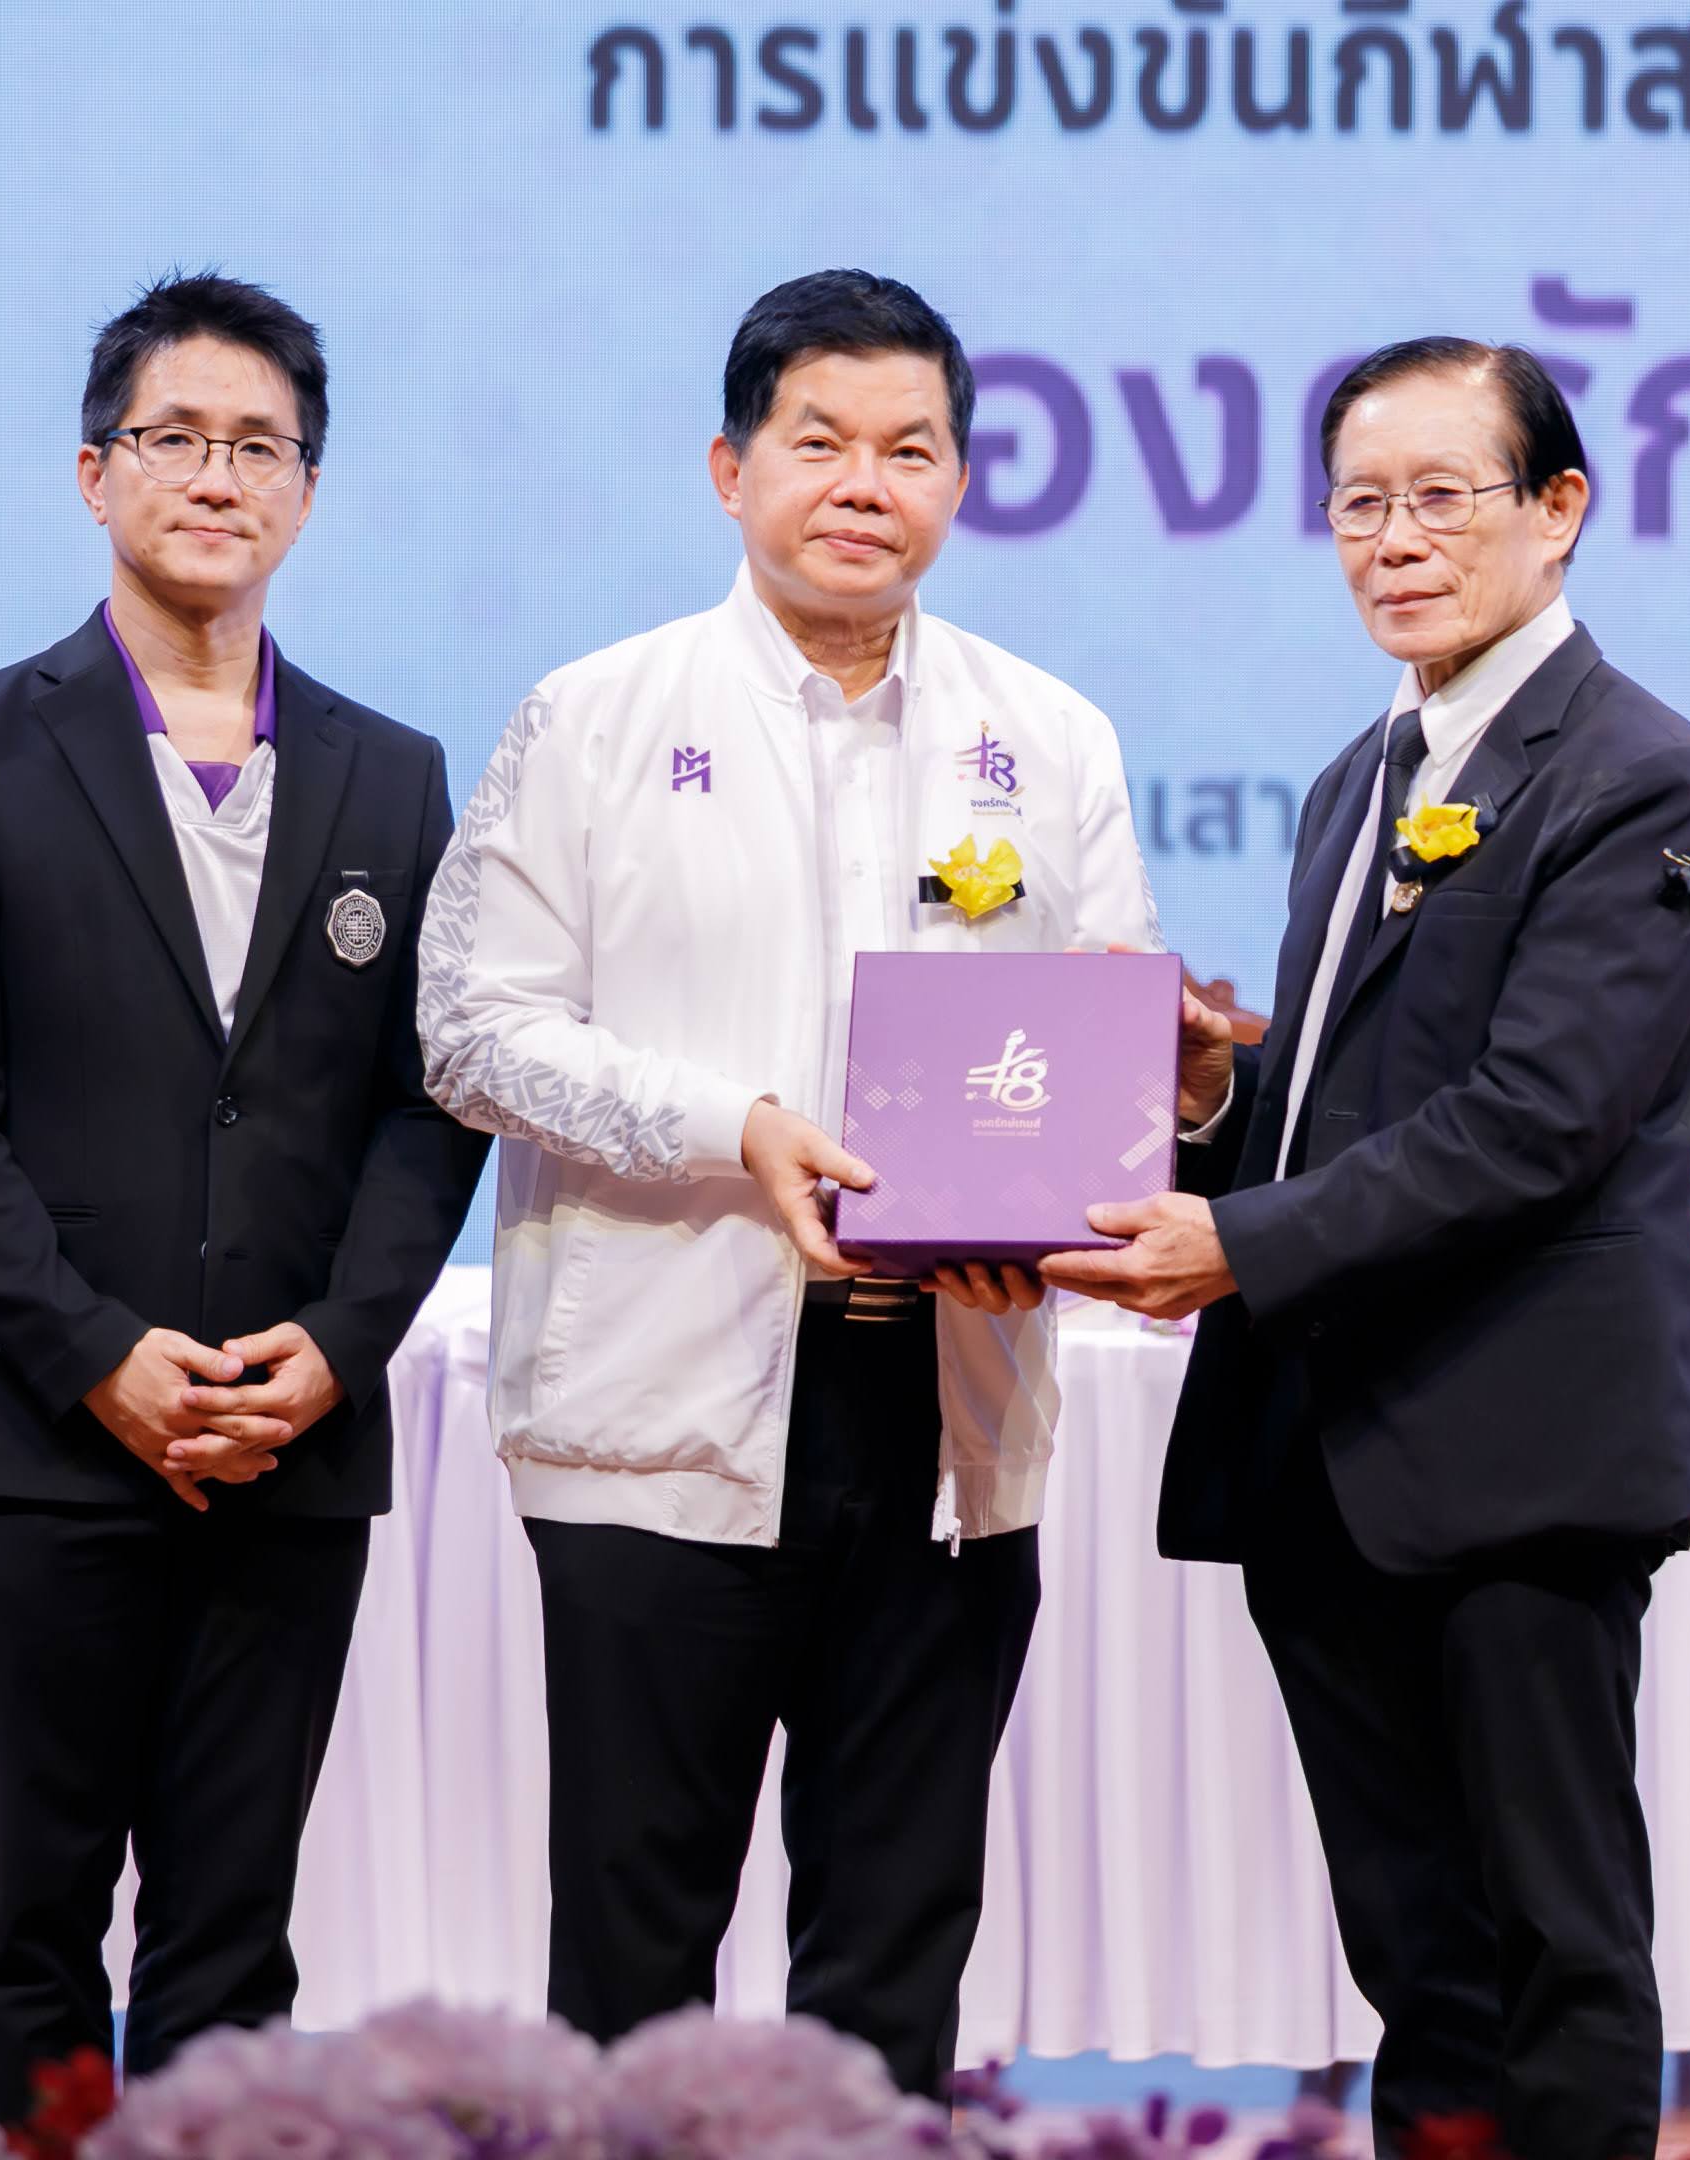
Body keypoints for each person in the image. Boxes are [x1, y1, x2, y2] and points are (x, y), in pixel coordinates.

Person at [414, 269, 1194, 2098]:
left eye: (910, 450)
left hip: (948, 1417)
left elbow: (1104, 1035)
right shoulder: (596, 717)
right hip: (662, 1410)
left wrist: (1078, 1190)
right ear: (731, 467)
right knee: (635, 1950)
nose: (865, 483)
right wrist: (733, 1126)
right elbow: (469, 1033)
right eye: (820, 440)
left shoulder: (1050, 735)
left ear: (961, 484)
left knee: (895, 1952)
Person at [1042, 338, 1690, 2160]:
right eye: (1361, 503)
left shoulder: (1637, 776)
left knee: (1551, 1949)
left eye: (1443, 495)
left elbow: (1537, 1121)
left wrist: (1236, 1242)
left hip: (1518, 1461)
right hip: (1332, 1461)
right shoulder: (1360, 776)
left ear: (1560, 509)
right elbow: (1364, 1098)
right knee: (1423, 1964)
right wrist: (1217, 1097)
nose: (1395, 540)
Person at [0, 271, 488, 2122]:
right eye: (177, 437)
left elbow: (432, 1101)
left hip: (289, 1438)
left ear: (307, 490)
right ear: (96, 472)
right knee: (30, 1921)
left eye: (260, 446)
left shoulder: (391, 775)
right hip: (47, 1435)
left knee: (234, 1932)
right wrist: (92, 1353)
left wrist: (340, 1348)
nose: (218, 476)